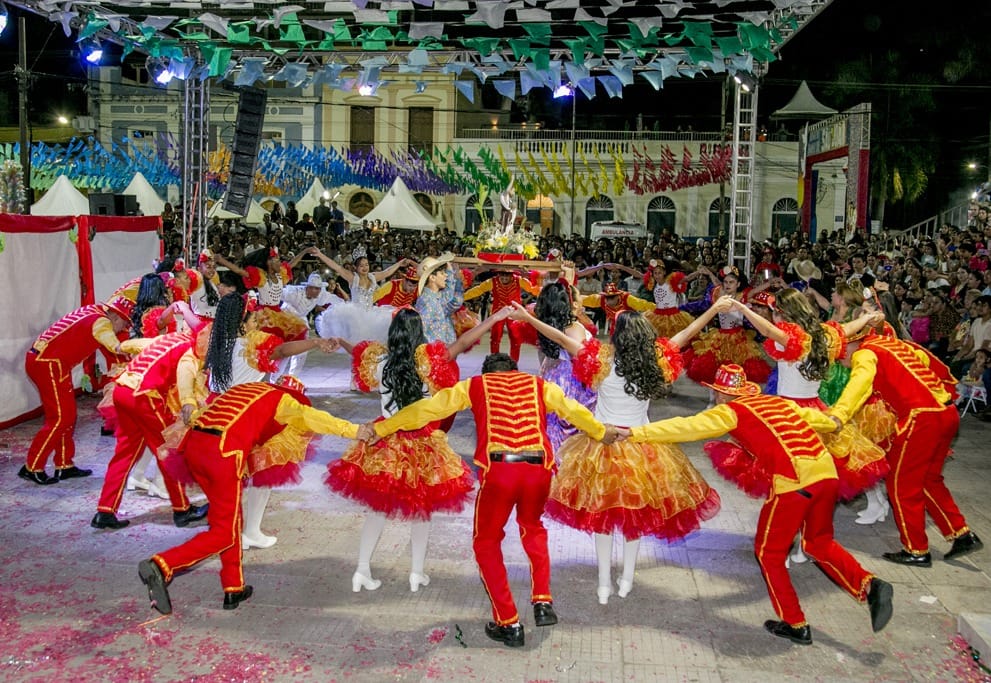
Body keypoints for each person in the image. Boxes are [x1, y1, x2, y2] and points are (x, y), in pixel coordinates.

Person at [367, 353, 623, 648]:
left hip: (500, 471)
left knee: (486, 542)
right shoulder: (539, 385)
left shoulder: (475, 385)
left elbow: (424, 410)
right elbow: (573, 410)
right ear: (514, 371)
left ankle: (509, 621)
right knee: (532, 527)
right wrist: (601, 431)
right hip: (539, 469)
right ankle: (542, 600)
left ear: (488, 373)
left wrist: (382, 428)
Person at [627, 364, 895, 645]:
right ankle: (870, 585)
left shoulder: (729, 412)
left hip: (795, 483)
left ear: (722, 395)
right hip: (826, 475)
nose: (717, 398)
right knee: (818, 543)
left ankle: (795, 623)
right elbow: (824, 422)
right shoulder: (779, 404)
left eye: (718, 394)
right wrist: (838, 419)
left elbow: (686, 427)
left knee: (769, 553)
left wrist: (635, 433)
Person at [511, 302, 728, 604]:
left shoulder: (600, 360)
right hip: (642, 446)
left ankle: (603, 583)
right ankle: (626, 579)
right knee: (633, 520)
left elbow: (560, 339)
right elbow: (688, 333)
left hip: (602, 446)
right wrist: (715, 307)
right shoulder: (655, 360)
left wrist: (527, 317)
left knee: (602, 516)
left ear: (616, 335)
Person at [138, 377, 364, 615]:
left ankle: (233, 586)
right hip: (223, 454)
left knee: (228, 518)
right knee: (223, 534)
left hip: (194, 446)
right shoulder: (284, 401)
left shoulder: (245, 390)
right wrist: (356, 430)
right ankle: (161, 565)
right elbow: (316, 419)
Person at [327, 307, 511, 594]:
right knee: (421, 511)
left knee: (377, 510)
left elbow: (358, 354)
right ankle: (416, 572)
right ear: (418, 331)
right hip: (422, 443)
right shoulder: (429, 362)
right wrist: (494, 319)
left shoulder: (380, 363)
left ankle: (362, 569)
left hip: (384, 441)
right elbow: (462, 343)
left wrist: (342, 342)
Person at [829, 328, 983, 565]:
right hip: (946, 411)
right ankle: (961, 533)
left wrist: (838, 415)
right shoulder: (891, 344)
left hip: (920, 419)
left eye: (840, 356)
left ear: (849, 346)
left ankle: (916, 549)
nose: (843, 362)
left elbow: (859, 384)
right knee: (929, 479)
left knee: (902, 486)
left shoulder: (865, 354)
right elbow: (929, 361)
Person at [204, 292, 338, 549]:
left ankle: (223, 528)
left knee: (227, 477)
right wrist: (315, 343)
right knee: (262, 471)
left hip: (215, 412)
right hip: (244, 415)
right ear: (243, 323)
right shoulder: (251, 344)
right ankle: (251, 531)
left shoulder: (217, 341)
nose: (258, 323)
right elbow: (282, 349)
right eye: (253, 319)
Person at [91, 329, 209, 530]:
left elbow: (138, 344)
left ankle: (105, 510)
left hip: (122, 390)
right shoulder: (189, 353)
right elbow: (184, 375)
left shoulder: (169, 338)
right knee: (167, 449)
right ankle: (182, 509)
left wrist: (121, 346)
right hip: (144, 396)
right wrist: (188, 402)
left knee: (125, 452)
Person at [20, 297, 133, 484]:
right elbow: (115, 347)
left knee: (67, 415)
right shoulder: (102, 324)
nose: (123, 329)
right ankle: (32, 466)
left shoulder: (94, 310)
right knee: (60, 418)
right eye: (124, 323)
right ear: (115, 317)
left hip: (48, 362)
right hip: (48, 364)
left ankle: (64, 464)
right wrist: (141, 348)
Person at [313, 246, 411, 344]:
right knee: (357, 345)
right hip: (356, 317)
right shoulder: (352, 278)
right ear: (355, 267)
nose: (365, 268)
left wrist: (399, 263)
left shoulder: (372, 277)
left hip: (371, 315)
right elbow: (336, 267)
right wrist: (320, 254)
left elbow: (387, 272)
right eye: (361, 266)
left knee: (372, 344)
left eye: (366, 265)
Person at [463, 268, 541, 362]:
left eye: (507, 275)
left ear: (512, 275)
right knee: (495, 338)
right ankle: (494, 362)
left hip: (514, 313)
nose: (504, 277)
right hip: (498, 313)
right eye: (502, 274)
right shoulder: (492, 282)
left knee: (516, 338)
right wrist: (463, 297)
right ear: (498, 274)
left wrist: (544, 294)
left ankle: (514, 363)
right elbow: (478, 290)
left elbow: (532, 289)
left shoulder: (519, 280)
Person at [414, 254, 465, 345]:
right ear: (432, 278)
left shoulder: (436, 296)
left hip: (442, 349)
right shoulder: (428, 301)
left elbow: (450, 294)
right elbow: (420, 330)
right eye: (442, 273)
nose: (446, 275)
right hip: (434, 354)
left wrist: (450, 269)